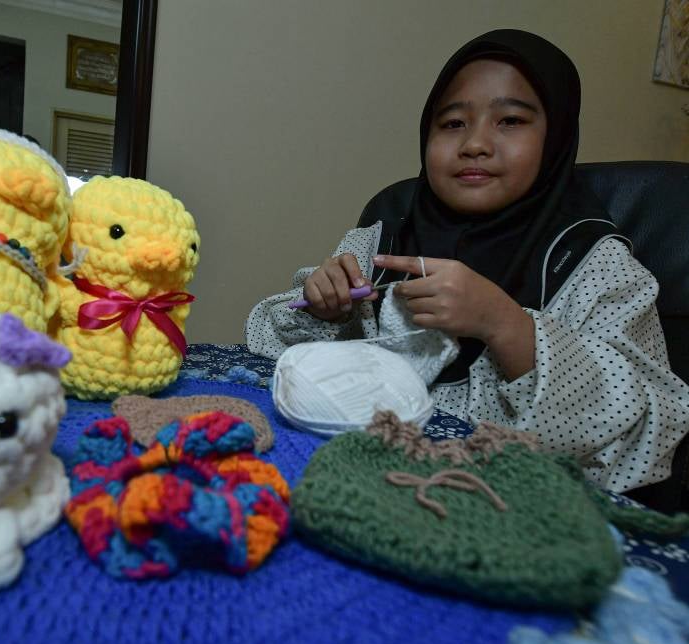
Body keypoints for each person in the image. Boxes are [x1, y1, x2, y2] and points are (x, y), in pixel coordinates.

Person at [245, 29, 689, 493]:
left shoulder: (598, 266)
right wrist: (322, 308)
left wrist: (504, 323)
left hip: (506, 503)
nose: (475, 143)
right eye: (453, 123)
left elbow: (652, 439)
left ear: (556, 136)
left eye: (511, 120)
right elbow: (272, 360)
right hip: (357, 476)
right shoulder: (383, 232)